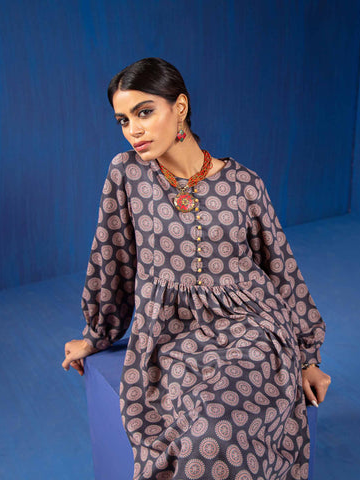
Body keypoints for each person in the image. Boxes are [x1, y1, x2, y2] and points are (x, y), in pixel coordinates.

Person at [62, 57, 330, 480]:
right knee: (203, 435)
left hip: (251, 324)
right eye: (123, 120)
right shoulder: (127, 173)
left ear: (180, 107)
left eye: (144, 112)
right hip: (170, 333)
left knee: (231, 423)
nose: (133, 130)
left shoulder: (244, 184)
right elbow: (112, 258)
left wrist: (306, 357)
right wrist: (97, 335)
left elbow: (280, 267)